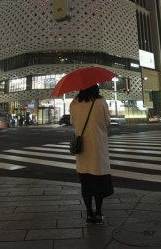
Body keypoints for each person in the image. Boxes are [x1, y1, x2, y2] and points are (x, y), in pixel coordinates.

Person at [69, 84, 113, 225]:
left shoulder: (75, 102)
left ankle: (89, 213)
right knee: (98, 182)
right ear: (96, 89)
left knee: (85, 183)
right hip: (97, 148)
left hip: (82, 150)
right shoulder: (101, 102)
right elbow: (107, 122)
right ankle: (98, 212)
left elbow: (72, 122)